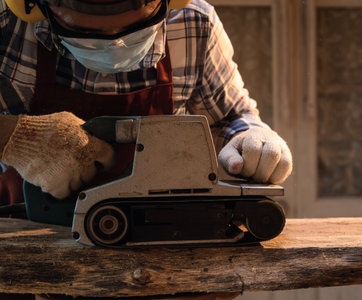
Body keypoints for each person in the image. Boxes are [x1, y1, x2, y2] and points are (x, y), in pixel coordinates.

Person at [0, 0, 292, 297]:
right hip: (26, 243)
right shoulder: (6, 22)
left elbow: (230, 118)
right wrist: (11, 136)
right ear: (35, 5)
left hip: (164, 255)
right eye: (85, 26)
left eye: (133, 24)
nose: (115, 40)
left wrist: (250, 138)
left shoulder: (193, 23)